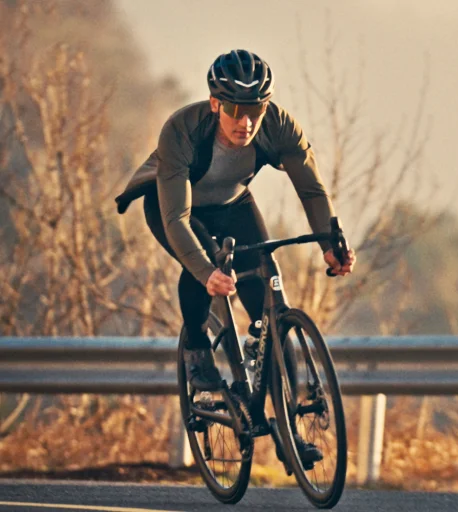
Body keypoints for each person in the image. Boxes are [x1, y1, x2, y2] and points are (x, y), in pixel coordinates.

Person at [115, 49, 356, 464]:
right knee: (203, 263)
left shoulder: (278, 126)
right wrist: (206, 271)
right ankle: (196, 347)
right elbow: (176, 220)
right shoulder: (182, 130)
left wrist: (331, 245)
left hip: (233, 204)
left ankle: (287, 432)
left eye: (255, 110)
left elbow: (312, 190)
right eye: (235, 111)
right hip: (174, 209)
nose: (246, 122)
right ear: (215, 104)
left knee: (272, 310)